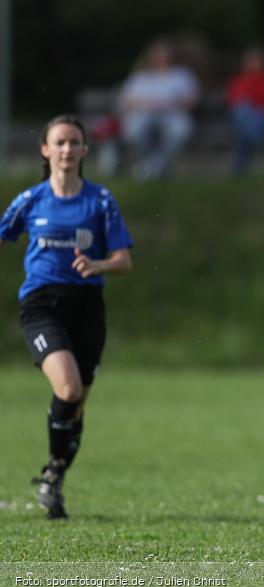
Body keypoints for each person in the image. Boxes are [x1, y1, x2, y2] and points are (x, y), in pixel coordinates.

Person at [0, 115, 134, 519]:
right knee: (69, 387)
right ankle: (53, 475)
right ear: (45, 150)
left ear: (85, 150)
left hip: (87, 307)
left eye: (74, 142)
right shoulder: (30, 200)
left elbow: (123, 261)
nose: (67, 149)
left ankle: (54, 474)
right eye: (59, 142)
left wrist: (98, 265)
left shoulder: (101, 201)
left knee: (76, 406)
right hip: (42, 305)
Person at [119, 40, 200, 179]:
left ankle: (152, 166)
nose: (161, 58)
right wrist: (146, 105)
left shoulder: (182, 75)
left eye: (164, 54)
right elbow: (126, 100)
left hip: (173, 113)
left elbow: (192, 100)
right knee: (133, 131)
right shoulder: (141, 77)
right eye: (157, 54)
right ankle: (157, 166)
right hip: (144, 113)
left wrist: (170, 104)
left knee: (181, 130)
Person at [226, 47, 264, 174]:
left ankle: (239, 168)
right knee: (242, 112)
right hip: (246, 117)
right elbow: (233, 99)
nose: (253, 64)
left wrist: (253, 98)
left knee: (245, 121)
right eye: (251, 61)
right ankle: (252, 136)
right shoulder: (239, 79)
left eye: (256, 60)